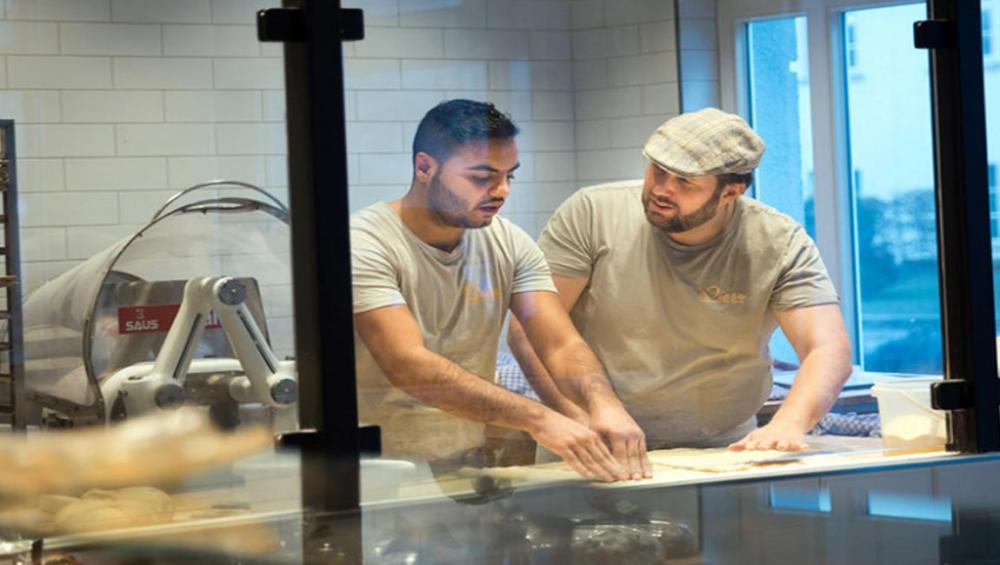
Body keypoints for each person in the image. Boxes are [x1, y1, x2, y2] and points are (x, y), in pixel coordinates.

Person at [508, 107, 852, 453]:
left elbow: (827, 348)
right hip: (593, 438)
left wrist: (789, 423)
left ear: (730, 192)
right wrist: (573, 414)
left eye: (684, 182)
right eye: (657, 171)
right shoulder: (592, 213)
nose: (662, 189)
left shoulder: (777, 241)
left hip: (722, 444)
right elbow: (529, 329)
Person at [351, 99, 651, 481]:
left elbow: (560, 343)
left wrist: (603, 404)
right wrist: (540, 419)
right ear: (425, 167)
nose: (502, 190)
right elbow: (407, 363)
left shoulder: (508, 242)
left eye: (510, 175)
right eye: (482, 177)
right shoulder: (364, 242)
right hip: (377, 469)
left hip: (463, 459)